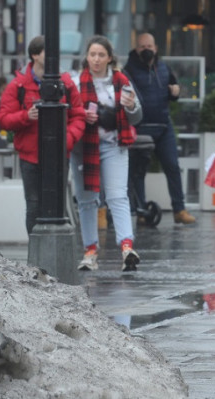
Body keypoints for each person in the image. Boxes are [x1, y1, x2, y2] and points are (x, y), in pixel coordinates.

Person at [70, 35, 143, 272]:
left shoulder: (122, 82)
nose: (97, 59)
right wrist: (81, 113)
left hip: (114, 145)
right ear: (87, 57)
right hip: (84, 147)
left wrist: (130, 105)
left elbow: (137, 116)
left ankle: (127, 247)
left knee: (117, 196)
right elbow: (68, 114)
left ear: (110, 58)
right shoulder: (75, 82)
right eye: (93, 55)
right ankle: (90, 252)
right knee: (87, 200)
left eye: (102, 55)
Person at [0, 36, 85, 234]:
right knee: (34, 206)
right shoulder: (18, 86)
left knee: (57, 206)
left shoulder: (66, 84)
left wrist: (67, 141)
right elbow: (3, 119)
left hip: (58, 154)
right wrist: (26, 116)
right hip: (30, 156)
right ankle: (35, 254)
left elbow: (78, 116)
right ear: (35, 55)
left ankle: (55, 250)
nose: (55, 57)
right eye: (49, 52)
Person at [123, 32, 196, 225]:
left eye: (149, 46)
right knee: (138, 171)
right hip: (140, 128)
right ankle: (141, 211)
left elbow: (174, 89)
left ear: (155, 48)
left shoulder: (163, 67)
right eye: (142, 46)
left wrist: (176, 91)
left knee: (172, 167)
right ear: (136, 49)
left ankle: (179, 210)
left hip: (164, 126)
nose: (146, 50)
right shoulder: (128, 70)